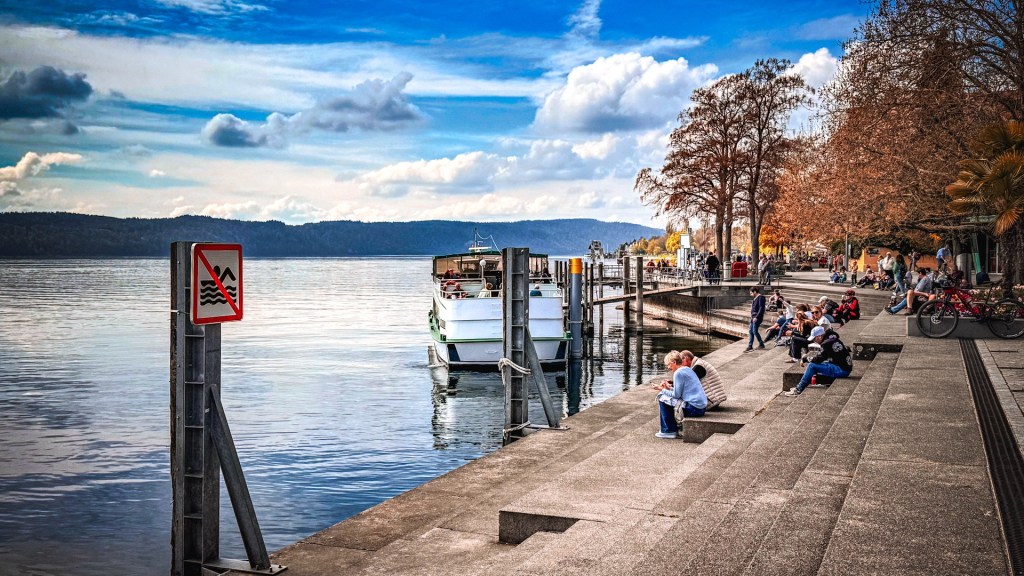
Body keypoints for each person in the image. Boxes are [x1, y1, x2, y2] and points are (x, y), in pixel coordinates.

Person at [784, 326, 854, 396]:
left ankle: (798, 389)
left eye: (814, 339)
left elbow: (817, 359)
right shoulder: (832, 338)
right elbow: (823, 356)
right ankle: (817, 381)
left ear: (819, 336)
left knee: (812, 366)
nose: (814, 341)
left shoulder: (826, 343)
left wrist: (805, 359)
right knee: (819, 364)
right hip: (845, 367)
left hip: (842, 370)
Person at [652, 350, 707, 438]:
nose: (668, 367)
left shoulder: (678, 373)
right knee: (665, 396)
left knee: (662, 398)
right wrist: (668, 388)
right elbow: (681, 391)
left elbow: (676, 395)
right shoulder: (687, 369)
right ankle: (670, 428)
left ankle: (668, 430)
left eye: (668, 364)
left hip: (694, 409)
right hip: (701, 407)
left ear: (674, 362)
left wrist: (661, 389)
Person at [745, 287, 766, 352]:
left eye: (751, 293)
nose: (751, 294)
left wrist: (756, 317)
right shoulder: (755, 298)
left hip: (757, 317)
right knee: (751, 331)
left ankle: (761, 344)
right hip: (753, 317)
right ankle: (750, 345)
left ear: (754, 292)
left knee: (754, 331)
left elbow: (761, 308)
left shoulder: (761, 297)